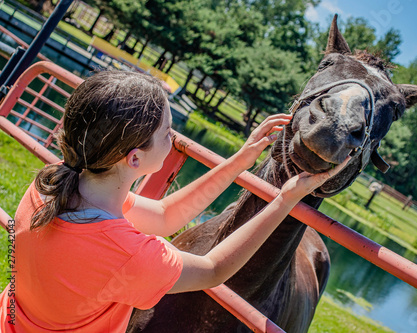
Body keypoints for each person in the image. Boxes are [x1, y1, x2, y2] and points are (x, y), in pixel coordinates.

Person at [0, 70, 335, 332]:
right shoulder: (126, 255)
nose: (173, 138)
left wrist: (238, 162)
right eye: (166, 132)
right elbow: (214, 270)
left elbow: (163, 216)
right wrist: (285, 200)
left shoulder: (54, 182)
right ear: (134, 159)